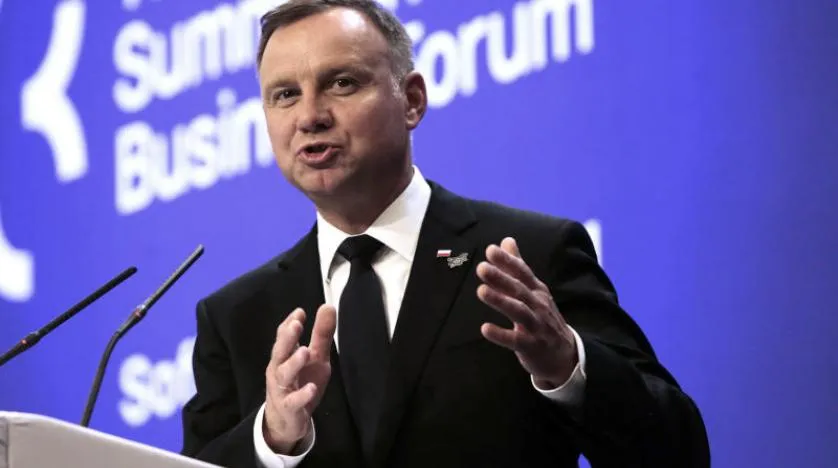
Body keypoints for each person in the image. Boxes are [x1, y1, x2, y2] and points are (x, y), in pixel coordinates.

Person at [180, 1, 711, 466]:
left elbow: (677, 449)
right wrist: (271, 440)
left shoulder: (530, 256)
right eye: (284, 95)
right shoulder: (236, 317)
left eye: (342, 83)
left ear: (411, 100)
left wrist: (569, 367)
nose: (310, 116)